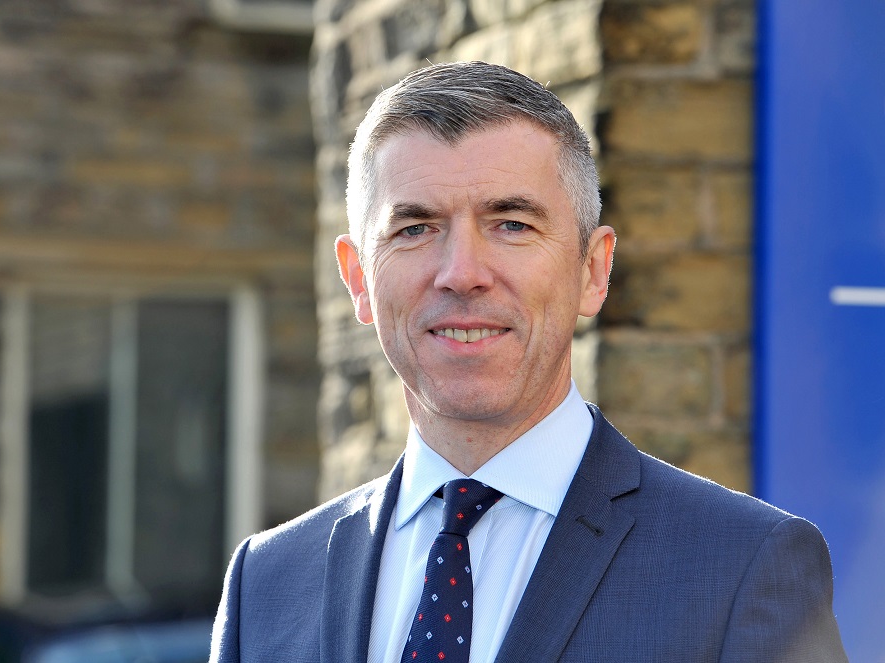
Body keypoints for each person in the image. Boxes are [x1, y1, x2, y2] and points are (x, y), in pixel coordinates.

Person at [209, 61, 847, 662]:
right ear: (357, 281)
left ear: (593, 270)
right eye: (415, 228)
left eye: (511, 224)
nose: (462, 274)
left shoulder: (742, 568)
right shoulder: (266, 583)